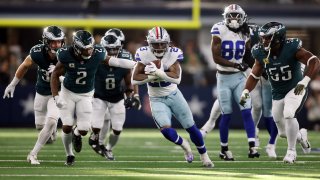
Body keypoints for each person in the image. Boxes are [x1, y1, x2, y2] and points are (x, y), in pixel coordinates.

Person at [50, 30, 136, 166]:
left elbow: (116, 62)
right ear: (77, 49)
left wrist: (136, 65)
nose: (90, 51)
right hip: (68, 92)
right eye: (86, 49)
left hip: (86, 94)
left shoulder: (97, 53)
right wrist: (56, 96)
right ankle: (69, 154)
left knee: (84, 129)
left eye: (91, 48)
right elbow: (54, 75)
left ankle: (76, 133)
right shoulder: (66, 54)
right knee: (66, 125)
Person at [132, 26, 213, 168]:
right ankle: (184, 145)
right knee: (165, 130)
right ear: (149, 43)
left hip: (174, 95)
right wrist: (152, 75)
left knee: (191, 128)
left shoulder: (173, 53)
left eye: (162, 43)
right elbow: (134, 79)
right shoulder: (143, 53)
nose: (159, 47)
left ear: (168, 43)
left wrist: (158, 73)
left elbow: (176, 78)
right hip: (156, 98)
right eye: (156, 44)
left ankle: (204, 156)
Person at [240, 21, 319, 163]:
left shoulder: (291, 47)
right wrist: (246, 90)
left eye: (268, 37)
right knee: (283, 133)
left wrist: (304, 81)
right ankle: (301, 136)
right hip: (277, 92)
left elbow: (314, 61)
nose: (264, 40)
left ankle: (291, 152)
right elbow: (254, 75)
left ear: (278, 37)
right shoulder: (260, 52)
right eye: (263, 37)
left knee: (289, 113)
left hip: (295, 87)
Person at [3, 26, 65, 164]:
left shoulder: (66, 55)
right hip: (41, 92)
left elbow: (74, 78)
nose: (57, 45)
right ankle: (51, 130)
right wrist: (12, 84)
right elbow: (24, 65)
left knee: (52, 120)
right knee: (40, 127)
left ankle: (33, 154)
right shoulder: (37, 52)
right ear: (46, 42)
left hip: (58, 92)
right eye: (53, 42)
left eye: (59, 41)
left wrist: (58, 73)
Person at [210, 4, 259, 161]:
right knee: (227, 114)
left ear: (242, 17)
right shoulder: (218, 29)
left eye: (236, 16)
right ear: (225, 17)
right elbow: (216, 57)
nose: (233, 19)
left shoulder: (246, 32)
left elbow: (248, 57)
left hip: (239, 78)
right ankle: (224, 149)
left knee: (246, 109)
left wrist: (259, 69)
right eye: (230, 15)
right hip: (223, 78)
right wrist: (235, 64)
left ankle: (253, 147)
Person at [89, 32, 141, 160]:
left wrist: (130, 96)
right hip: (99, 96)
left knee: (117, 129)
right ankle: (92, 137)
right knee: (96, 125)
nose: (112, 52)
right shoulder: (95, 58)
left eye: (115, 49)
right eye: (109, 49)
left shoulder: (125, 59)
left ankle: (109, 148)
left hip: (117, 97)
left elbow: (129, 82)